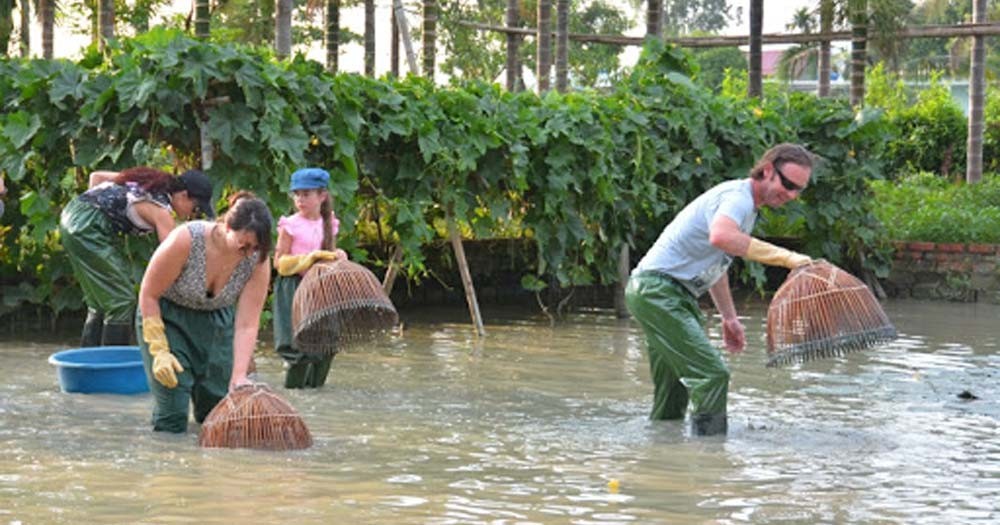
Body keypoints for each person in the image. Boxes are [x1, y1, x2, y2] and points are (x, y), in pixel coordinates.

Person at [625, 143, 815, 436]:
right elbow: (721, 237)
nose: (790, 195)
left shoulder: (747, 209)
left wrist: (729, 317)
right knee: (712, 375)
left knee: (673, 390)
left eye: (797, 190)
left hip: (666, 294)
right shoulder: (737, 198)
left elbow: (717, 264)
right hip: (657, 292)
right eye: (787, 184)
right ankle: (710, 460)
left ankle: (662, 454)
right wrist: (788, 258)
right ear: (766, 171)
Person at [136, 191, 273, 433]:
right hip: (168, 318)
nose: (249, 254)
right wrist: (159, 349)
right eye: (244, 245)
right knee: (173, 412)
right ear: (227, 226)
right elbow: (148, 294)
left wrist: (239, 376)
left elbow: (247, 324)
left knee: (216, 413)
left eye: (256, 248)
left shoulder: (258, 260)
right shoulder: (187, 239)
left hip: (216, 323)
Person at [59, 167, 215, 347]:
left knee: (100, 300)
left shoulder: (148, 183)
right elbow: (173, 258)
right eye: (195, 208)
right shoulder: (162, 212)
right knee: (122, 301)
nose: (192, 214)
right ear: (183, 195)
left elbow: (97, 177)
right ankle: (114, 366)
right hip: (88, 228)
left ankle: (88, 361)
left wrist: (97, 205)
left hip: (74, 214)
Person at [272, 168, 346, 389]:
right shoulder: (290, 225)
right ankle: (295, 396)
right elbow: (279, 263)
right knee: (298, 348)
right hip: (294, 287)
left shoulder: (329, 222)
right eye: (297, 194)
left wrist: (339, 255)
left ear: (322, 196)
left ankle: (316, 395)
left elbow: (329, 254)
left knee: (327, 345)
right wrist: (308, 259)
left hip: (321, 287)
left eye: (306, 194)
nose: (300, 200)